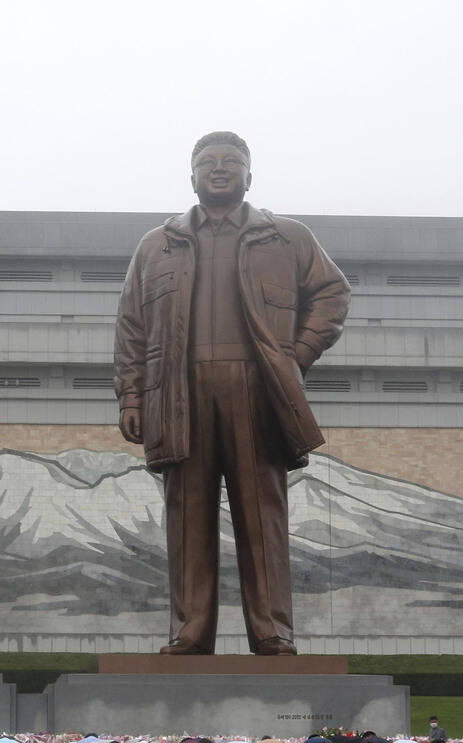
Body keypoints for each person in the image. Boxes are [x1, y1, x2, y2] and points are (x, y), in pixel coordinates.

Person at [113, 130, 349, 656]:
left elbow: (332, 293)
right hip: (179, 392)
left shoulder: (287, 238)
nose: (219, 169)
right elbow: (132, 325)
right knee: (187, 516)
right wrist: (132, 397)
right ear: (191, 175)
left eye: (231, 162)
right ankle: (190, 630)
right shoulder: (157, 244)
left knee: (261, 515)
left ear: (249, 174)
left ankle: (272, 630)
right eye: (207, 162)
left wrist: (295, 356)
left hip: (257, 390)